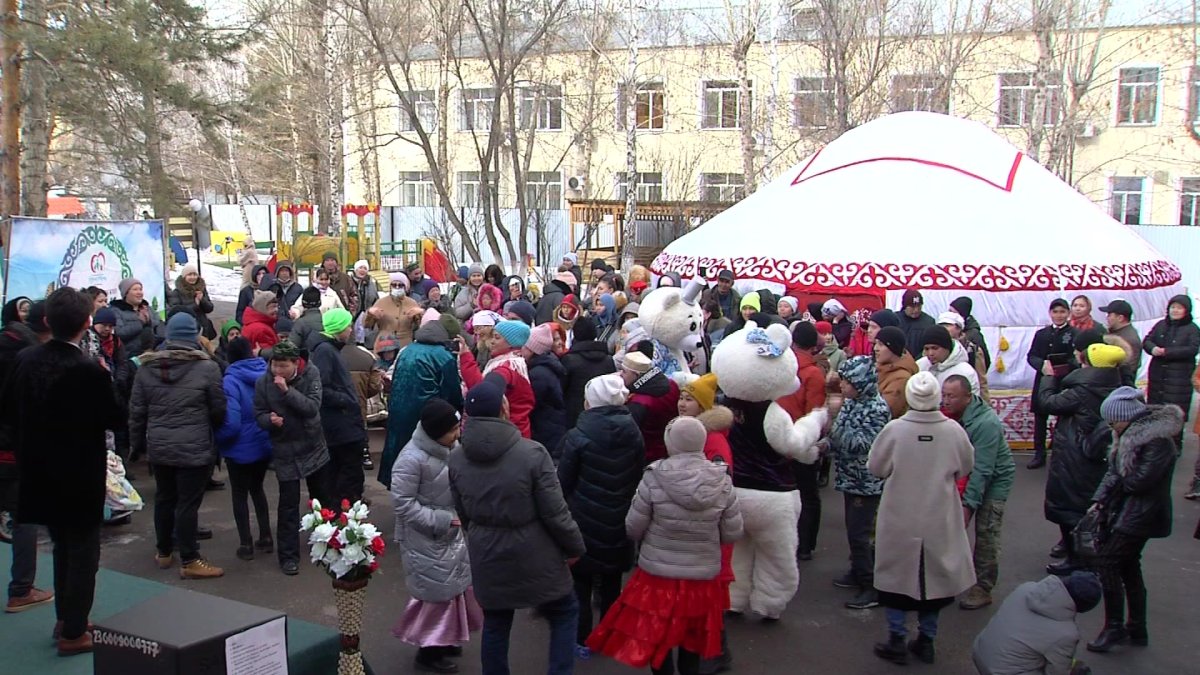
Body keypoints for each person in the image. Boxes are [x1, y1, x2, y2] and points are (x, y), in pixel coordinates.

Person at [1, 288, 121, 655]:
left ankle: (66, 618)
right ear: (87, 323)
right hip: (79, 474)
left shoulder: (25, 360)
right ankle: (73, 630)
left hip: (37, 470)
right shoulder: (88, 370)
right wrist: (106, 380)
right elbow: (113, 418)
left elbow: (7, 408)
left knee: (61, 548)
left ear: (47, 322)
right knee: (83, 554)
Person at [448, 378, 586, 675]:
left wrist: (481, 534)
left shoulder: (457, 458)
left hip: (487, 551)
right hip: (536, 551)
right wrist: (574, 546)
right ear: (504, 408)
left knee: (496, 622)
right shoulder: (533, 453)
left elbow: (462, 510)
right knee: (564, 611)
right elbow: (555, 512)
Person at [587, 417, 743, 675]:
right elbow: (732, 532)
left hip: (658, 577)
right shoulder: (722, 481)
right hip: (702, 578)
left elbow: (633, 528)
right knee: (692, 641)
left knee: (658, 638)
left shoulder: (654, 477)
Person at [869, 372, 975, 666]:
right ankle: (927, 640)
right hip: (939, 514)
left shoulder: (895, 430)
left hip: (900, 514)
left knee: (896, 577)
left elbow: (876, 467)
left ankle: (896, 638)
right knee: (935, 578)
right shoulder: (953, 431)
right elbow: (966, 466)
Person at [129, 312, 226, 580]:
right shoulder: (208, 368)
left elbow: (137, 411)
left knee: (164, 497)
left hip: (159, 446)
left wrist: (136, 446)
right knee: (187, 503)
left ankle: (163, 552)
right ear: (193, 336)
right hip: (194, 445)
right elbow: (219, 409)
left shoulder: (146, 368)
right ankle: (190, 558)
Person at [1085, 387, 1181, 653]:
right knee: (1127, 567)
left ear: (1125, 417)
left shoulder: (1157, 442)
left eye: (1113, 421)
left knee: (1107, 562)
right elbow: (1116, 473)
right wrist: (1098, 500)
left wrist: (1112, 489)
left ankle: (1115, 626)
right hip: (1133, 511)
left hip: (1142, 513)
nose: (1110, 426)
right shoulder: (1129, 435)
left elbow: (1138, 481)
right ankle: (1136, 627)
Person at [556, 373, 644, 658]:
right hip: (619, 517)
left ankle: (581, 639)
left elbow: (563, 480)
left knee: (580, 584)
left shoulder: (577, 436)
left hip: (583, 519)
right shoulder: (634, 432)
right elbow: (637, 473)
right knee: (611, 583)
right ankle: (610, 635)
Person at [390, 399, 481, 673]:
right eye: (452, 429)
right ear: (434, 431)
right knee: (435, 595)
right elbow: (403, 504)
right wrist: (442, 520)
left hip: (450, 533)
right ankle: (428, 652)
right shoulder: (411, 459)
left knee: (454, 589)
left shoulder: (452, 448)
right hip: (424, 537)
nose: (457, 434)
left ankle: (445, 638)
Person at [1039, 338, 1125, 576]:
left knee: (1068, 507)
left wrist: (1048, 377)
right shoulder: (1115, 387)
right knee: (1086, 505)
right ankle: (1081, 552)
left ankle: (1077, 559)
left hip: (1073, 456)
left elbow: (1047, 403)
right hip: (1095, 456)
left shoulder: (1082, 391)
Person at [254, 340, 332, 575]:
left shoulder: (311, 374)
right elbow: (258, 412)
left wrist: (288, 392)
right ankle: (288, 556)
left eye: (283, 366)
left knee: (321, 500)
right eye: (274, 365)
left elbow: (311, 408)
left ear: (295, 363)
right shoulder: (263, 382)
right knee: (288, 505)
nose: (277, 371)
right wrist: (269, 420)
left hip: (312, 445)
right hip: (285, 448)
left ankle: (328, 544)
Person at [941, 375, 1015, 610]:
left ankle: (983, 587)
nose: (946, 400)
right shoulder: (952, 417)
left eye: (951, 396)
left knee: (987, 532)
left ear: (967, 397)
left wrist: (968, 505)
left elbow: (982, 469)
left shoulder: (986, 423)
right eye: (944, 395)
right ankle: (949, 579)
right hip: (965, 474)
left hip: (994, 479)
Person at [826, 356, 891, 611]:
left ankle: (871, 585)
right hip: (850, 478)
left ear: (862, 382)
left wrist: (832, 427)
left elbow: (862, 444)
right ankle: (857, 572)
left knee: (860, 534)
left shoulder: (877, 409)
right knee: (853, 530)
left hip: (866, 482)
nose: (843, 386)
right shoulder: (852, 403)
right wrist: (824, 446)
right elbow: (841, 436)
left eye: (848, 381)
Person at [379, 315, 463, 487]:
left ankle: (398, 489)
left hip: (399, 413)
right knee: (424, 463)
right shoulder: (443, 356)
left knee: (400, 454)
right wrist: (456, 416)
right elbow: (452, 393)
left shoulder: (407, 350)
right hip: (427, 416)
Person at [972, 571, 1102, 675]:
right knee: (1079, 670)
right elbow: (1057, 672)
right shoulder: (1066, 633)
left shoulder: (1026, 588)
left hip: (980, 653)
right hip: (1003, 671)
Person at [214, 338, 273, 562]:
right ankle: (266, 535)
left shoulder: (230, 380)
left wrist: (219, 440)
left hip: (239, 447)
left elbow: (232, 421)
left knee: (239, 494)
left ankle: (246, 543)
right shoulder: (264, 372)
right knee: (258, 489)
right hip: (262, 442)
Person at [306, 308, 368, 508]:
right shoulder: (325, 351)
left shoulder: (330, 349)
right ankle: (345, 510)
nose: (351, 329)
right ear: (338, 329)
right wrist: (347, 400)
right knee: (344, 472)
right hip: (340, 427)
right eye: (348, 325)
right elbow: (321, 387)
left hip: (342, 425)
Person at [775, 322, 826, 561]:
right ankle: (805, 544)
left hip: (778, 435)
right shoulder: (813, 373)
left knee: (785, 491)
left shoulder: (782, 364)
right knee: (807, 494)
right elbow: (814, 411)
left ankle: (785, 539)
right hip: (802, 438)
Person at [458, 320, 535, 439]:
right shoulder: (515, 362)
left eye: (497, 338)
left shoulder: (506, 368)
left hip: (506, 435)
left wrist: (466, 358)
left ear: (511, 343)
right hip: (515, 431)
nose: (492, 342)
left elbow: (483, 392)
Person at [1026, 299, 1078, 469]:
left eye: (1062, 312)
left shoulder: (1074, 334)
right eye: (1055, 312)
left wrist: (1063, 367)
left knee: (1063, 417)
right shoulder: (1041, 334)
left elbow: (1076, 357)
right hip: (1043, 379)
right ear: (1050, 313)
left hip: (1064, 380)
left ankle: (1060, 452)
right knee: (1040, 417)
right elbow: (1031, 355)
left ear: (1068, 313)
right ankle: (1039, 454)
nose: (1058, 315)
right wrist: (1042, 365)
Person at [1141, 294, 1199, 447]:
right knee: (1155, 411)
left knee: (1175, 414)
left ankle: (1174, 446)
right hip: (1158, 376)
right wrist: (1153, 349)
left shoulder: (1192, 329)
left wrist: (1168, 352)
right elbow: (1147, 340)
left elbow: (1192, 349)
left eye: (1179, 308)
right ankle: (1153, 445)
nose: (1175, 311)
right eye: (1173, 307)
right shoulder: (1161, 325)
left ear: (1186, 310)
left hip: (1178, 379)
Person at [621, 351, 681, 464]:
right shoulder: (672, 385)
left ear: (637, 375)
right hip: (670, 449)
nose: (620, 375)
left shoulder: (638, 402)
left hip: (647, 457)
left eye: (624, 372)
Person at [560, 319, 617, 427]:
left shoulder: (569, 360)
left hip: (574, 415)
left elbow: (561, 388)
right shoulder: (608, 359)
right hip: (603, 414)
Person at [524, 324, 568, 458]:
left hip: (545, 430)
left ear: (533, 350)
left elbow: (531, 402)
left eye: (525, 346)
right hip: (550, 426)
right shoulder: (543, 366)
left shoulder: (539, 374)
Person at [937, 311, 990, 402]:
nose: (944, 329)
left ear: (958, 328)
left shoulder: (973, 350)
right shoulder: (935, 348)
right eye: (941, 325)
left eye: (947, 325)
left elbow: (982, 382)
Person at [918, 325, 980, 394]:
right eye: (927, 349)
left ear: (947, 347)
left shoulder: (966, 372)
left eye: (935, 348)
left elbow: (973, 401)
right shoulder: (920, 365)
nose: (930, 353)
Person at [874, 326, 919, 418]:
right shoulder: (878, 368)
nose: (876, 348)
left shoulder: (901, 378)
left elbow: (884, 413)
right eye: (875, 343)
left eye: (881, 344)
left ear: (893, 348)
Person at [112, 278, 164, 356]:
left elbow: (159, 324)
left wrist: (149, 321)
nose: (139, 292)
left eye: (140, 289)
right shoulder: (116, 310)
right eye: (135, 289)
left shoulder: (147, 308)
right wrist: (140, 323)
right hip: (130, 354)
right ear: (126, 293)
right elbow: (119, 333)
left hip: (153, 351)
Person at [166, 263, 216, 340]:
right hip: (186, 328)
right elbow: (175, 311)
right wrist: (195, 305)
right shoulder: (177, 292)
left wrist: (202, 300)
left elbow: (209, 308)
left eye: (194, 274)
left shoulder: (201, 289)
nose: (192, 277)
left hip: (203, 327)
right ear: (184, 276)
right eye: (189, 275)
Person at [1098, 299, 1140, 387]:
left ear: (1120, 318)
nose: (1107, 318)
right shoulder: (1115, 332)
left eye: (1109, 315)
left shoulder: (1128, 339)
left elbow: (1128, 369)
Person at [950, 296, 991, 370]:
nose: (949, 315)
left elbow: (985, 360)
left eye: (952, 312)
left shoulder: (974, 334)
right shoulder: (950, 329)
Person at [896, 289, 935, 360]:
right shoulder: (895, 320)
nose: (916, 310)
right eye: (912, 307)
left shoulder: (928, 322)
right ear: (905, 306)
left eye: (919, 306)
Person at [273, 260, 303, 337]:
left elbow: (302, 305)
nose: (284, 273)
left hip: (294, 322)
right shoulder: (273, 287)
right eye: (282, 271)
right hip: (276, 323)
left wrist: (296, 313)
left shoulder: (298, 288)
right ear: (277, 272)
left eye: (286, 270)